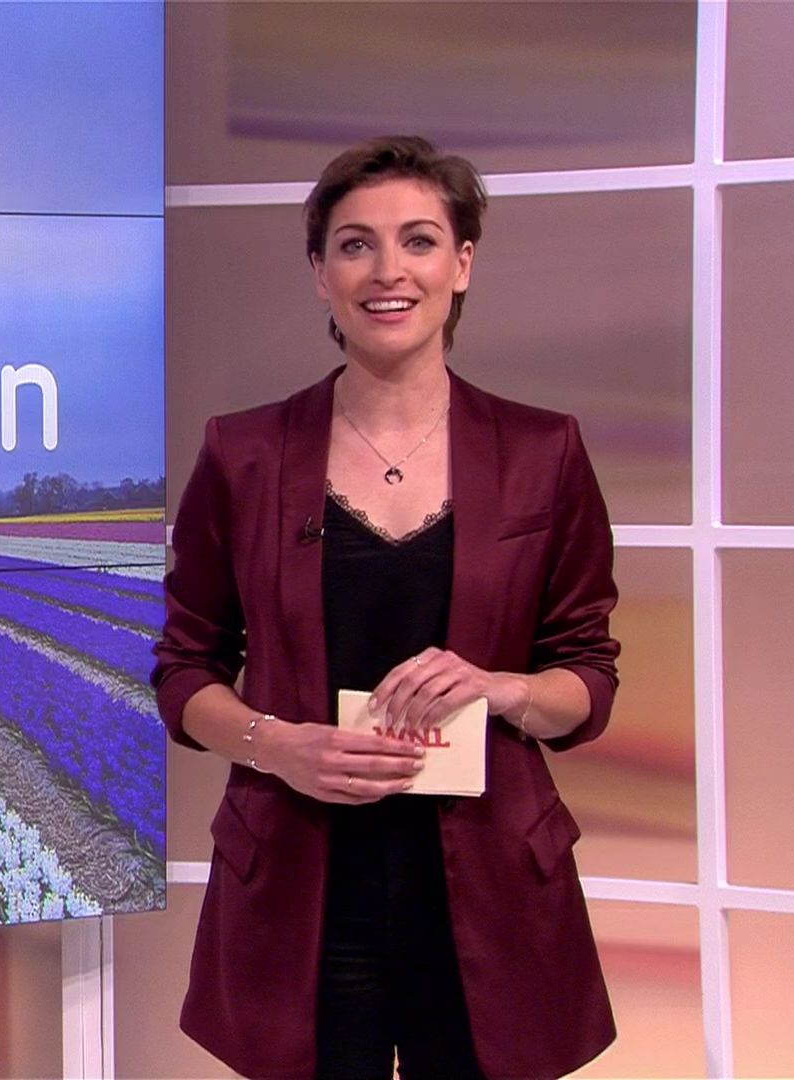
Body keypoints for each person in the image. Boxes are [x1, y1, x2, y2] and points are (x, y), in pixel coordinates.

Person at [151, 135, 621, 1080]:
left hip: (489, 888)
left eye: (419, 240)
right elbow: (184, 668)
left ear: (462, 263)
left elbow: (587, 676)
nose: (387, 270)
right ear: (320, 273)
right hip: (303, 886)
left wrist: (504, 688)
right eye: (355, 245)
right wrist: (278, 745)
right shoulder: (245, 453)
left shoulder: (543, 452)